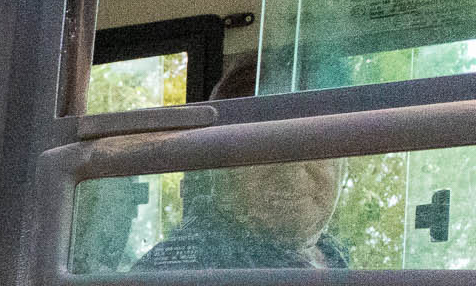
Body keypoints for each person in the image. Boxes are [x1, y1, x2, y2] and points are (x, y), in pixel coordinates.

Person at [134, 56, 349, 272]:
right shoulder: (179, 272)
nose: (291, 174)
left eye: (315, 145)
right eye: (263, 148)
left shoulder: (330, 253)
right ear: (220, 164)